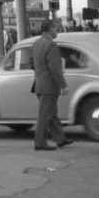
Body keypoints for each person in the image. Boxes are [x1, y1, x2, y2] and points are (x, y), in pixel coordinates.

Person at [32, 20, 71, 152]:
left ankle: (60, 138)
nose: (57, 31)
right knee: (45, 115)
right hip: (49, 85)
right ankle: (40, 142)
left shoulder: (36, 43)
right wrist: (63, 85)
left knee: (51, 113)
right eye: (56, 28)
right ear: (50, 29)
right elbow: (55, 69)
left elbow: (32, 63)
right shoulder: (51, 45)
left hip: (39, 83)